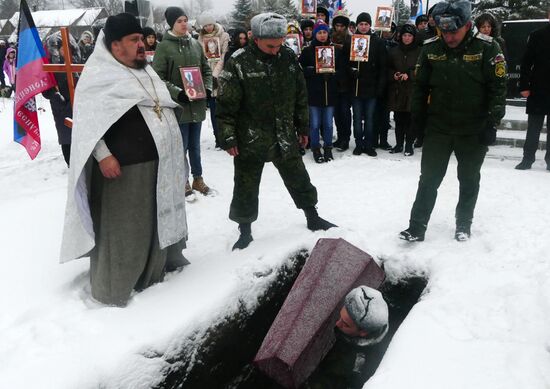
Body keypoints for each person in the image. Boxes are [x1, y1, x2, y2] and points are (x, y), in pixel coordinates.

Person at [60, 13, 189, 306]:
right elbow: (87, 124)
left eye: (142, 39)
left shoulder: (145, 70)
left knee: (153, 224)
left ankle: (152, 274)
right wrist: (103, 156)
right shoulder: (98, 76)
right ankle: (115, 286)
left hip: (157, 164)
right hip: (123, 169)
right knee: (126, 230)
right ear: (115, 45)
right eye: (134, 40)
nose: (141, 45)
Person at [216, 12, 337, 251]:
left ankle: (312, 217)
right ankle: (245, 231)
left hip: (284, 133)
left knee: (298, 176)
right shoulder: (239, 62)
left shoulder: (288, 57)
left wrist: (302, 127)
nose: (276, 50)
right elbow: (226, 105)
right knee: (246, 184)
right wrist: (228, 136)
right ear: (256, 38)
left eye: (279, 44)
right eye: (271, 46)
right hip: (250, 136)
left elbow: (300, 95)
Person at [399, 0, 506, 242]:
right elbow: (420, 87)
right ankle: (416, 227)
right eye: (443, 31)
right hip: (439, 126)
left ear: (468, 25)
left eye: (453, 31)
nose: (448, 37)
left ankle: (463, 223)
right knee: (428, 178)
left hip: (473, 128)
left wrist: (492, 122)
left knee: (468, 178)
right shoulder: (430, 48)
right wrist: (418, 120)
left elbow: (498, 87)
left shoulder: (488, 48)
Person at [153, 7, 214, 197]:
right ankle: (182, 180)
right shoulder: (164, 47)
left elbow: (205, 70)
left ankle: (198, 178)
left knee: (195, 146)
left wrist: (208, 87)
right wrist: (177, 93)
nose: (184, 23)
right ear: (172, 23)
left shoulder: (195, 44)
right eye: (179, 21)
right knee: (181, 146)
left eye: (185, 20)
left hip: (196, 105)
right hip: (178, 107)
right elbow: (158, 77)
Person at [304, 286, 389, 389]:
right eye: (340, 316)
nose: (337, 324)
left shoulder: (356, 364)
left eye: (346, 324)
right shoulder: (360, 329)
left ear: (363, 332)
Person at [299, 20, 344, 163]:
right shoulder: (307, 51)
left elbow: (342, 70)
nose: (322, 35)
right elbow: (300, 70)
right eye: (319, 32)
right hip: (314, 94)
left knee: (329, 124)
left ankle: (328, 148)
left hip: (330, 94)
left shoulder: (335, 50)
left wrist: (333, 74)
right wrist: (311, 71)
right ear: (314, 34)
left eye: (325, 32)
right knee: (315, 124)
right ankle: (316, 148)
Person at [345, 12, 387, 157]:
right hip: (355, 87)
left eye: (366, 24)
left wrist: (380, 87)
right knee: (357, 118)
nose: (363, 27)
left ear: (370, 25)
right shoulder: (350, 41)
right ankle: (358, 143)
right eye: (361, 24)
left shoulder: (377, 42)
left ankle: (368, 144)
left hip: (371, 87)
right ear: (357, 25)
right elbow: (344, 64)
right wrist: (351, 70)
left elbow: (383, 67)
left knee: (370, 118)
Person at [515, 10, 550, 171]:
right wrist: (524, 85)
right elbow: (526, 62)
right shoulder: (538, 35)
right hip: (539, 88)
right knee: (534, 127)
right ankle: (527, 159)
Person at [42, 31, 82, 166]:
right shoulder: (52, 68)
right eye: (62, 48)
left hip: (80, 109)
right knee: (68, 144)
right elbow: (46, 88)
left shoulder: (78, 65)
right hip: (62, 110)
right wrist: (56, 96)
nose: (66, 51)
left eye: (69, 48)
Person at [197, 12, 230, 149]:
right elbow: (200, 57)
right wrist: (207, 77)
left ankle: (226, 136)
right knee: (214, 110)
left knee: (224, 109)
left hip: (220, 76)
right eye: (205, 25)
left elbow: (224, 56)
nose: (208, 28)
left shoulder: (223, 35)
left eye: (210, 24)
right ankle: (218, 137)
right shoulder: (200, 39)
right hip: (207, 76)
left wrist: (215, 75)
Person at [387, 24, 421, 156]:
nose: (407, 38)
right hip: (397, 90)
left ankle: (409, 145)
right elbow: (387, 68)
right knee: (398, 118)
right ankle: (399, 143)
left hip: (412, 90)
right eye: (405, 35)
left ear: (414, 37)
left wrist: (411, 75)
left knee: (411, 119)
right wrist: (393, 75)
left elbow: (422, 69)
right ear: (400, 36)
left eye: (410, 36)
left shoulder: (419, 51)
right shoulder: (394, 51)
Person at [331, 10, 353, 152]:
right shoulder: (330, 38)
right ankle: (340, 137)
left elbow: (353, 58)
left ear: (346, 27)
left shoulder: (350, 40)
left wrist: (343, 48)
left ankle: (346, 138)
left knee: (345, 112)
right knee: (336, 114)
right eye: (337, 26)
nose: (339, 28)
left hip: (345, 83)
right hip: (332, 83)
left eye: (342, 26)